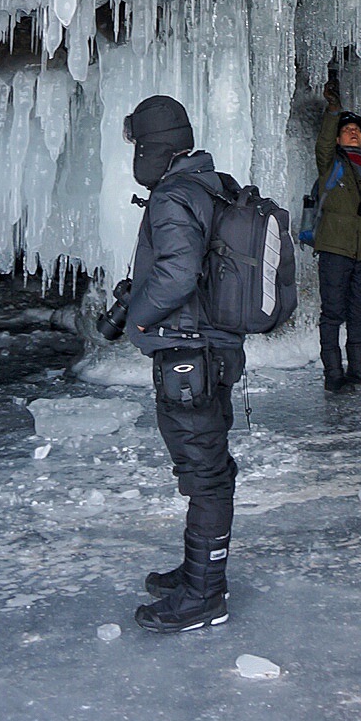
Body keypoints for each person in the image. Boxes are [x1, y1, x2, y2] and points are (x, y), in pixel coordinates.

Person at [122, 93, 243, 634]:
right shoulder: (209, 187)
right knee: (206, 468)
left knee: (205, 475)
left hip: (188, 354)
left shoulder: (172, 196)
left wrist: (138, 319)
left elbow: (177, 272)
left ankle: (204, 595)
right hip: (212, 349)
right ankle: (197, 572)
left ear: (155, 147)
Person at [313, 85, 361, 392]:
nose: (352, 133)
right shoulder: (331, 164)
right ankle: (333, 374)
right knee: (333, 313)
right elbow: (322, 145)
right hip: (335, 248)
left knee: (359, 312)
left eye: (356, 130)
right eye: (346, 130)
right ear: (337, 138)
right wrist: (334, 111)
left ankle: (359, 368)